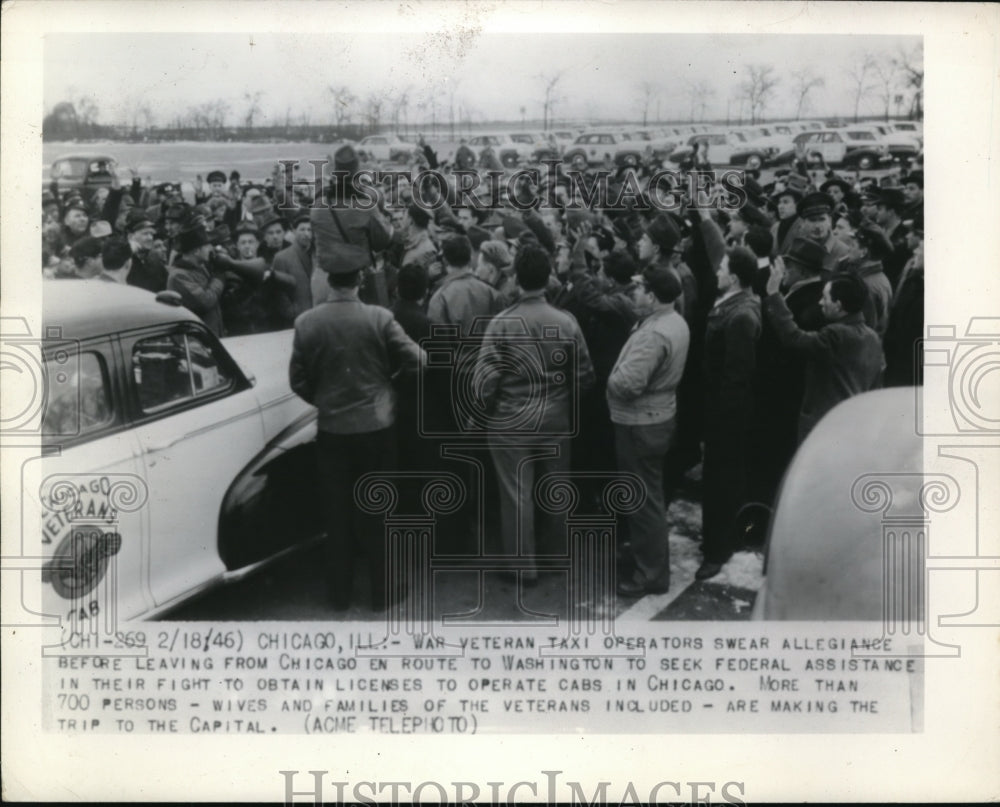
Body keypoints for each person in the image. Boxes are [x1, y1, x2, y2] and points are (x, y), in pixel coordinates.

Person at [289, 263, 424, 611]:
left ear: (328, 281)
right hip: (377, 428)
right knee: (378, 512)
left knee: (337, 514)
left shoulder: (306, 323)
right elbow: (419, 361)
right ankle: (382, 593)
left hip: (333, 429)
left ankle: (339, 594)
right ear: (359, 280)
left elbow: (297, 380)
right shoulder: (378, 317)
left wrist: (323, 399)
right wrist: (389, 386)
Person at [475, 245, 595, 583]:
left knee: (517, 494)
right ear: (547, 278)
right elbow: (585, 375)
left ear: (515, 278)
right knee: (556, 489)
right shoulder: (566, 321)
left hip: (510, 421)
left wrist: (482, 413)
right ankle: (557, 557)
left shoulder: (502, 324)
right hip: (555, 417)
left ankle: (522, 566)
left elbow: (485, 383)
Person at [606, 266, 690, 597]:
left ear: (653, 297)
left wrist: (610, 378)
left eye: (639, 289)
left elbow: (627, 384)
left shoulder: (654, 334)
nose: (633, 293)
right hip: (656, 418)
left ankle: (651, 574)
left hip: (640, 422)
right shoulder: (672, 320)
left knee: (643, 501)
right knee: (646, 496)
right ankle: (646, 557)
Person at [698, 235, 761, 581]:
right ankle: (715, 539)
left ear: (734, 277)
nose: (717, 272)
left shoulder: (741, 316)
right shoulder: (736, 304)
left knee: (721, 482)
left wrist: (717, 423)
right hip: (721, 410)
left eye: (722, 268)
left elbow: (736, 378)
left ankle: (717, 550)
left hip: (727, 415)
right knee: (718, 480)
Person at [764, 266, 884, 442]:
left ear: (838, 305)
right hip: (853, 426)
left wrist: (774, 296)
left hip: (824, 427)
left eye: (825, 297)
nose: (820, 302)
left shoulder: (836, 335)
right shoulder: (872, 338)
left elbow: (794, 338)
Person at [310, 144, 393, 308]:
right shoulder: (365, 206)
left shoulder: (318, 206)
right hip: (355, 281)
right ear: (357, 173)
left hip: (323, 279)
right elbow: (383, 240)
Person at [427, 234, 503, 335]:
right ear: (471, 259)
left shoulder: (439, 297)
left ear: (445, 260)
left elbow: (436, 339)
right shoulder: (492, 292)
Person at [166, 222, 226, 336]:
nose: (210, 248)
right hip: (199, 341)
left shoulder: (200, 266)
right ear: (196, 251)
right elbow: (206, 301)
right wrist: (219, 277)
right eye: (207, 245)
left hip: (211, 335)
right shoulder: (178, 276)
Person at [271, 212, 315, 317]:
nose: (306, 234)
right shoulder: (281, 257)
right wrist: (292, 312)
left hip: (317, 316)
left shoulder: (317, 256)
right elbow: (279, 293)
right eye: (302, 229)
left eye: (309, 230)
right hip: (295, 318)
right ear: (294, 231)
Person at [797, 191, 851, 274]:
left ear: (830, 220)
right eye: (812, 220)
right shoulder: (798, 249)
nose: (817, 226)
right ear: (803, 223)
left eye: (822, 219)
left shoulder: (844, 253)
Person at [125, 214, 168, 292]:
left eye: (151, 234)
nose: (150, 238)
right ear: (130, 236)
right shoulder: (123, 262)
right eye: (145, 233)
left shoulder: (156, 264)